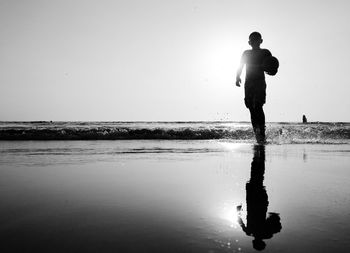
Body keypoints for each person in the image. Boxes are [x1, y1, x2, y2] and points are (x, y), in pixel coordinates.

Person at [236, 32, 273, 144]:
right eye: (252, 40)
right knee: (251, 109)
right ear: (249, 42)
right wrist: (237, 77)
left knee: (258, 105)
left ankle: (262, 132)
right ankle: (257, 134)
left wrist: (272, 71)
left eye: (257, 40)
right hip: (248, 84)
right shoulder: (246, 53)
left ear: (261, 41)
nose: (254, 42)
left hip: (259, 83)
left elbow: (272, 66)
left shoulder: (265, 52)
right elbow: (240, 66)